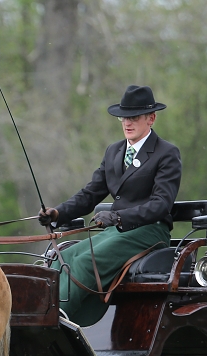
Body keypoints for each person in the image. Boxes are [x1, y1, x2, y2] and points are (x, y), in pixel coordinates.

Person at [38, 85, 181, 326]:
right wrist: (58, 213)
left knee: (85, 262)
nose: (127, 122)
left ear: (151, 118)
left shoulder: (166, 153)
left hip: (149, 231)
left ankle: (55, 324)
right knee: (63, 257)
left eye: (134, 117)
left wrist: (119, 217)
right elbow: (90, 193)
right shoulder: (114, 151)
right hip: (116, 231)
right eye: (123, 117)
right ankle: (41, 314)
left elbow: (161, 204)